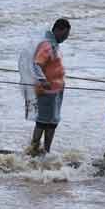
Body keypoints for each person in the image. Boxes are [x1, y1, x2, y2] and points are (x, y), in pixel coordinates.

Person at [22, 18, 70, 156]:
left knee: (53, 121)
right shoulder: (47, 45)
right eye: (64, 35)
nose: (65, 38)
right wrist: (43, 80)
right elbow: (36, 64)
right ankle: (33, 150)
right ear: (57, 30)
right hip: (47, 91)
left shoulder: (54, 45)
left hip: (56, 90)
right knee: (43, 121)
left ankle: (46, 151)